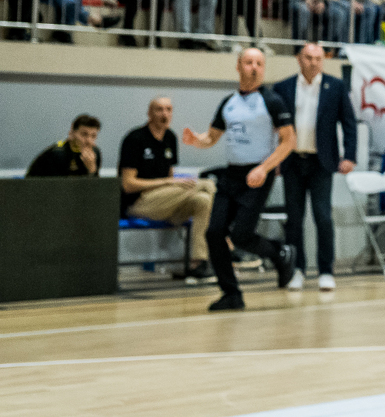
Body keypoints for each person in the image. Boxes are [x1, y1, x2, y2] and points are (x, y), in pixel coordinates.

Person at [182, 47, 298, 310]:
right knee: (214, 233)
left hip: (258, 175)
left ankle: (280, 252)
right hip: (231, 175)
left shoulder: (272, 101)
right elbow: (211, 137)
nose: (254, 67)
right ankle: (231, 293)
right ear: (238, 66)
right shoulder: (229, 103)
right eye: (248, 62)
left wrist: (264, 168)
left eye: (259, 63)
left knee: (242, 235)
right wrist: (197, 140)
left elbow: (289, 141)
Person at [272, 43, 358, 292]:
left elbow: (349, 123)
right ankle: (297, 269)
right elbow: (273, 127)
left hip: (321, 162)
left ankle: (326, 270)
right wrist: (274, 159)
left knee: (323, 217)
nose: (313, 62)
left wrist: (349, 156)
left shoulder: (335, 86)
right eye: (308, 57)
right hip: (292, 161)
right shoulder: (283, 87)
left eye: (318, 58)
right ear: (299, 59)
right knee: (294, 219)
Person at [119, 96, 216, 283]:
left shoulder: (170, 137)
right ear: (149, 113)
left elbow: (170, 176)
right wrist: (167, 182)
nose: (164, 114)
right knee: (207, 185)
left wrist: (171, 183)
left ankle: (198, 264)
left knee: (203, 201)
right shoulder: (135, 139)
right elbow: (128, 184)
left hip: (167, 202)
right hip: (139, 203)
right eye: (159, 109)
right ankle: (227, 242)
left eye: (168, 109)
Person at [26, 114, 102, 177]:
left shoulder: (95, 153)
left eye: (93, 136)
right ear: (71, 134)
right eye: (84, 134)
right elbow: (59, 187)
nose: (88, 141)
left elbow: (95, 187)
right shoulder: (58, 153)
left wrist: (92, 170)